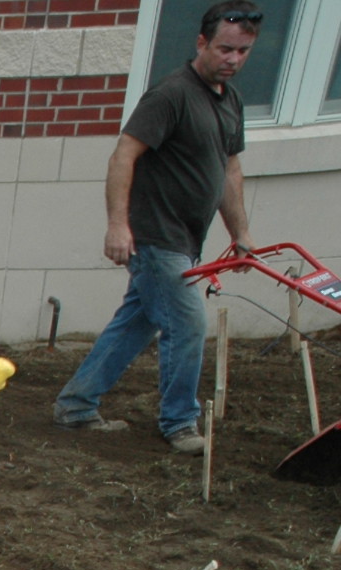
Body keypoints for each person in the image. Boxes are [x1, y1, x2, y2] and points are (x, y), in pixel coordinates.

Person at [53, 3, 258, 455]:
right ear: (202, 43)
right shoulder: (172, 95)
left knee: (137, 322)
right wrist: (117, 226)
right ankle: (180, 423)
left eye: (243, 51)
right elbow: (123, 155)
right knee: (187, 325)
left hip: (186, 239)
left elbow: (229, 169)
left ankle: (75, 405)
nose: (233, 59)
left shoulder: (231, 101)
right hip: (156, 236)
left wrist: (240, 234)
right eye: (225, 49)